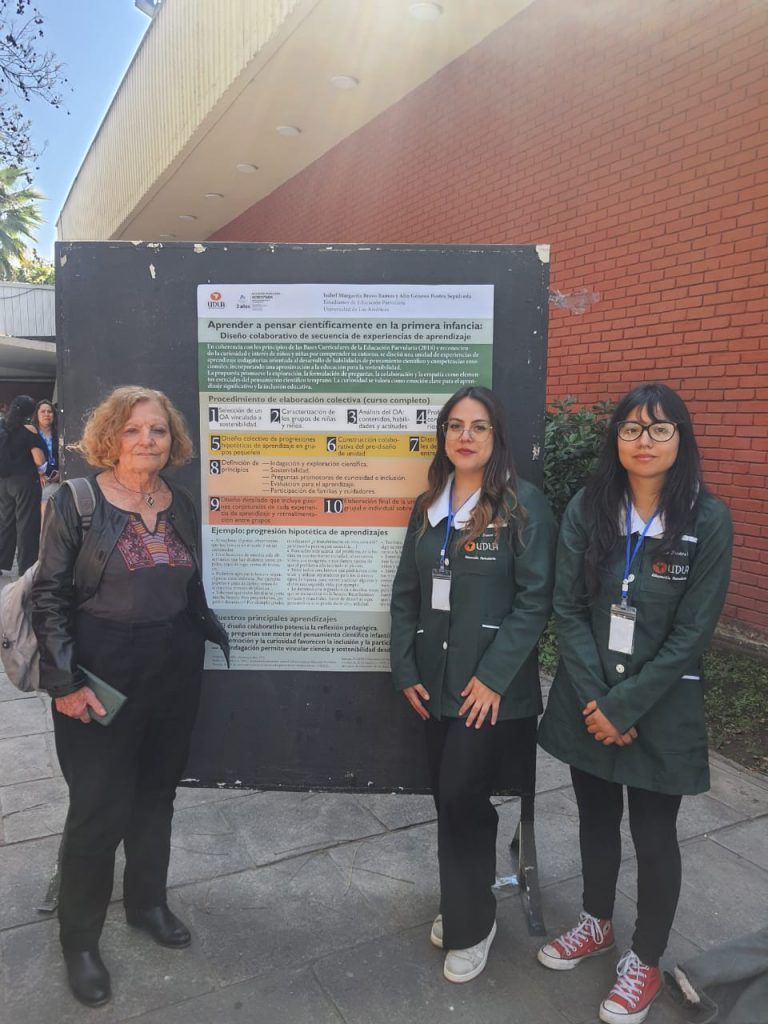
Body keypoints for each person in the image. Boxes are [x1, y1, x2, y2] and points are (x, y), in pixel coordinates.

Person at [537, 383, 733, 1024]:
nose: (643, 441)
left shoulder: (707, 520)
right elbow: (566, 608)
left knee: (654, 836)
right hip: (586, 702)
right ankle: (597, 922)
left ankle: (645, 959)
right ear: (614, 438)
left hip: (660, 708)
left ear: (682, 439)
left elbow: (692, 633)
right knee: (594, 819)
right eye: (631, 428)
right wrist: (598, 699)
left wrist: (627, 705)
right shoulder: (587, 510)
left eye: (659, 428)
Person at [32, 385, 229, 1008]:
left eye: (159, 431)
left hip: (172, 671)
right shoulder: (76, 500)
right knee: (97, 808)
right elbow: (49, 598)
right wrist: (64, 683)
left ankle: (146, 902)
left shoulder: (181, 503)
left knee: (156, 798)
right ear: (110, 437)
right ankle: (80, 941)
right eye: (135, 430)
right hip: (100, 675)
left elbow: (189, 584)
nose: (148, 440)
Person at [390, 385, 556, 984]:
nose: (465, 436)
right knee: (447, 799)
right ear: (443, 436)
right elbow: (407, 592)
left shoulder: (524, 506)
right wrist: (405, 668)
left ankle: (473, 921)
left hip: (489, 692)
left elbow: (536, 602)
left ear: (496, 438)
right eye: (455, 425)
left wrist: (491, 677)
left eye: (478, 427)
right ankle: (464, 903)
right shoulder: (427, 505)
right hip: (433, 685)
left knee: (462, 797)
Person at [0, 394, 48, 574]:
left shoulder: (2, 425)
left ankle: (2, 561)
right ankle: (26, 566)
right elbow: (39, 459)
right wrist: (44, 471)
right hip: (25, 483)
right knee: (27, 524)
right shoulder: (29, 430)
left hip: (4, 482)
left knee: (6, 521)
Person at [33, 399, 61, 499]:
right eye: (43, 411)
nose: (46, 414)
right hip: (37, 482)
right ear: (36, 414)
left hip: (57, 480)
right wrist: (39, 474)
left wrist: (61, 472)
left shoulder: (60, 433)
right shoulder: (32, 433)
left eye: (50, 412)